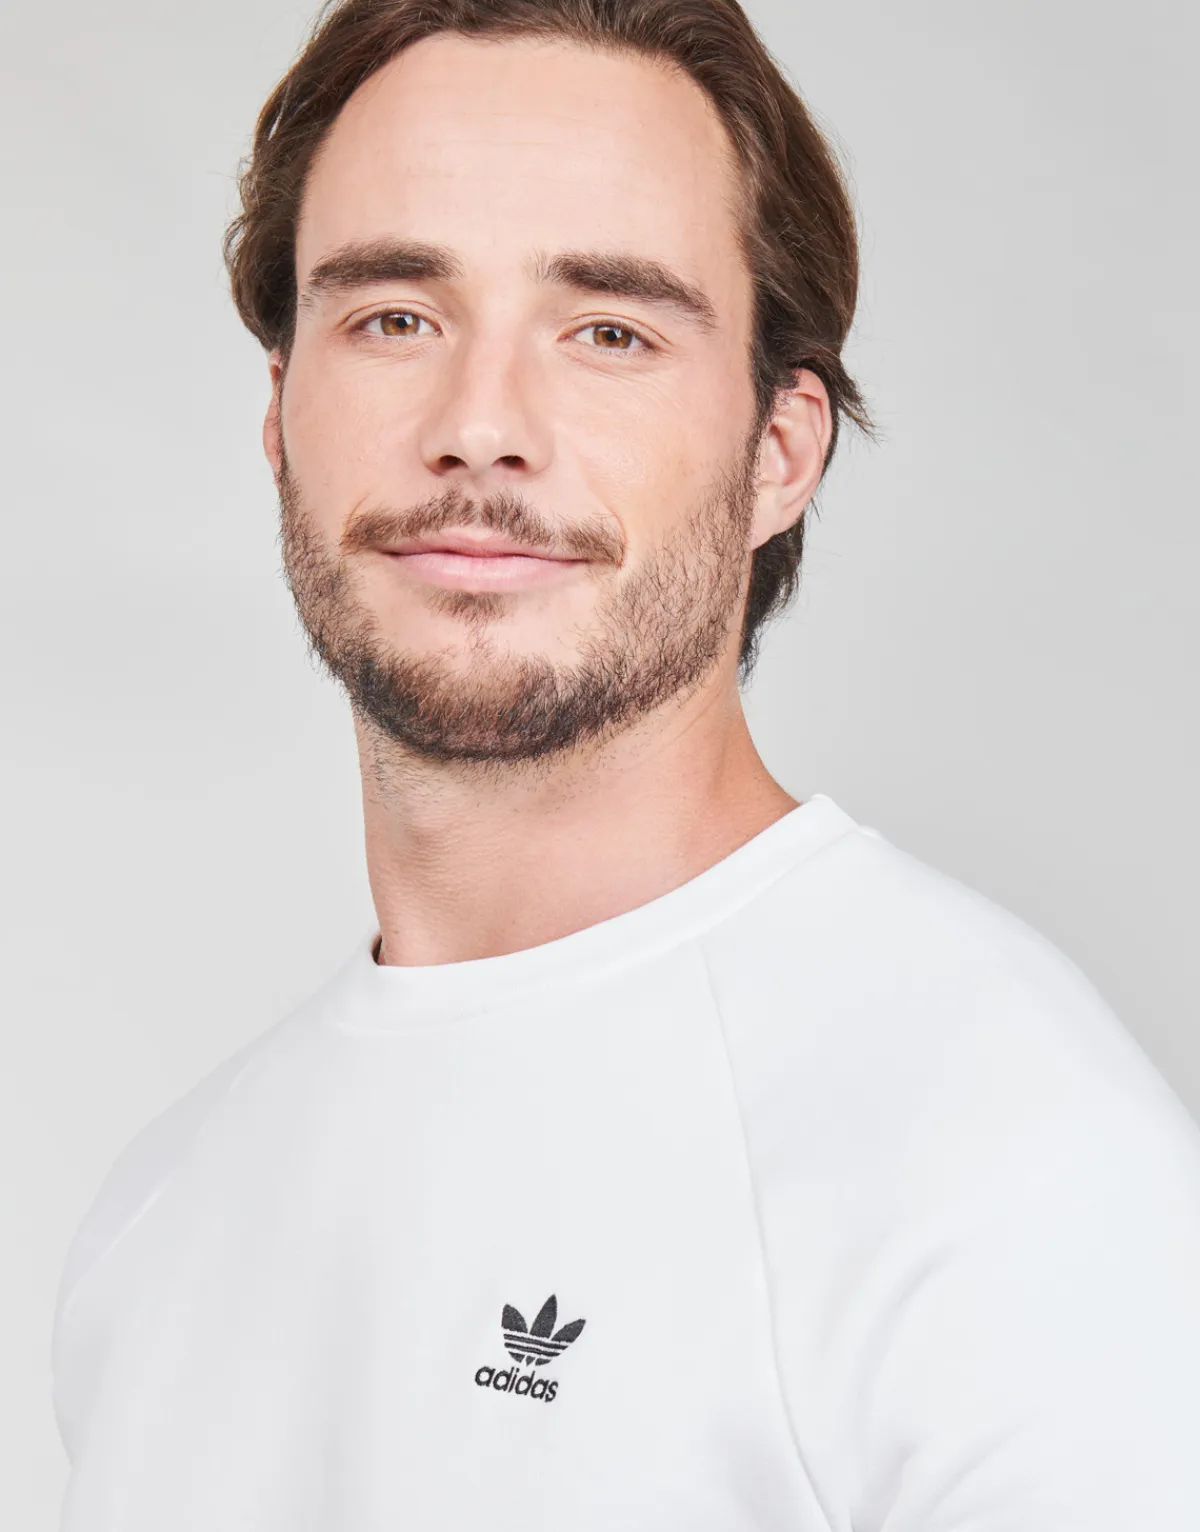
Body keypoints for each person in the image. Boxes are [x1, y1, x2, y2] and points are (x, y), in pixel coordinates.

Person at [50, 1, 1200, 1527]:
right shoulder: (163, 1218)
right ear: (278, 411)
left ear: (779, 452)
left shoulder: (1012, 1174)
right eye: (394, 316)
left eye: (610, 332)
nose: (479, 427)